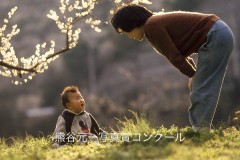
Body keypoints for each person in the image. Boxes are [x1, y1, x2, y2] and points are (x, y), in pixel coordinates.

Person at [111, 5, 234, 132]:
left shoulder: (152, 26)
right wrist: (193, 75)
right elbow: (181, 54)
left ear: (132, 23)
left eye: (126, 31)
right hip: (218, 33)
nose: (128, 35)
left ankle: (200, 130)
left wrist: (193, 75)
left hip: (215, 35)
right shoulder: (154, 23)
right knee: (202, 85)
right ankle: (200, 128)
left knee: (203, 87)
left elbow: (175, 57)